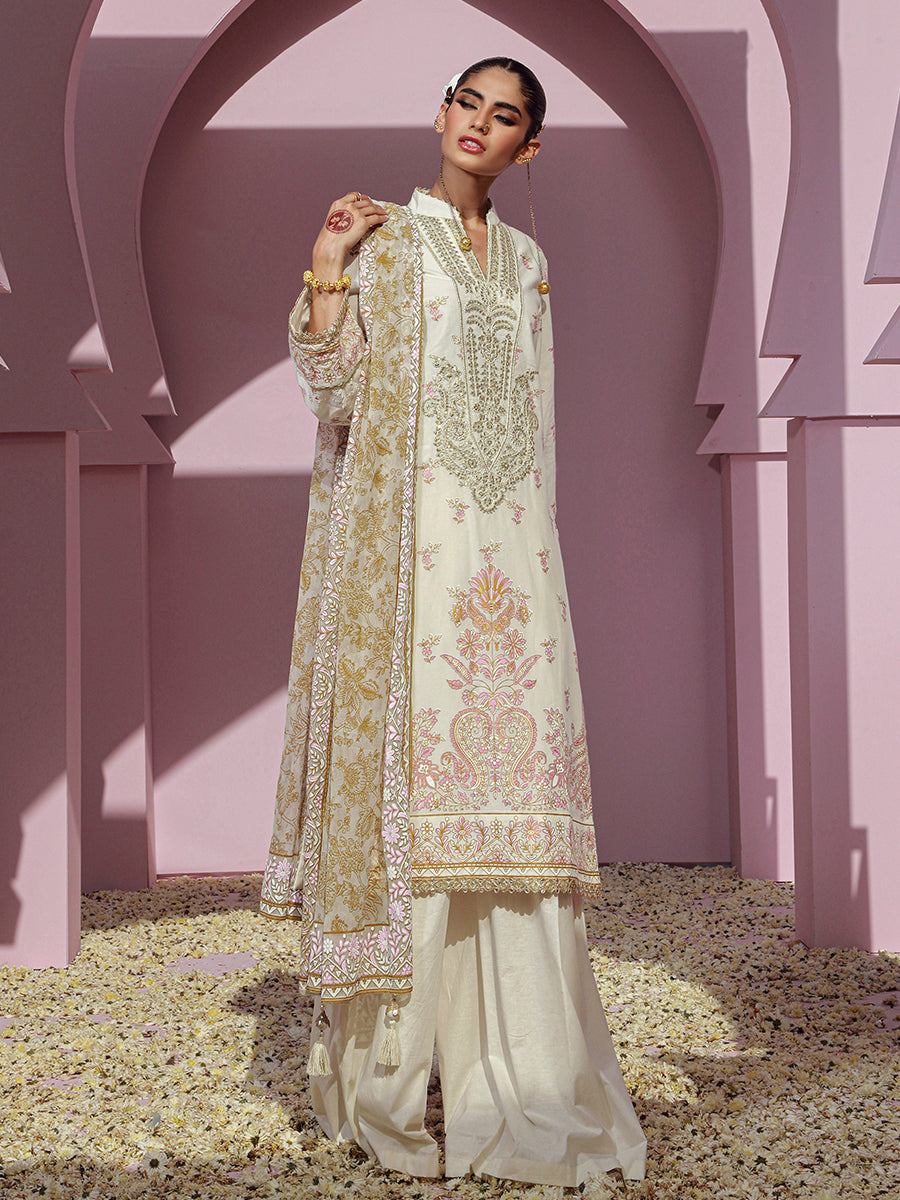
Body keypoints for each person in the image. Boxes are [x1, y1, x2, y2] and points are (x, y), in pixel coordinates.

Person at [260, 57, 647, 1186]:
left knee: (509, 814)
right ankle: (384, 1093)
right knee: (414, 812)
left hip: (511, 571)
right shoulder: (385, 245)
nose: (478, 124)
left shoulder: (527, 264)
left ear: (530, 147)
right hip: (408, 573)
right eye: (466, 103)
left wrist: (543, 569)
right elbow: (333, 394)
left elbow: (538, 425)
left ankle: (520, 1079)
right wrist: (327, 267)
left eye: (505, 115)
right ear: (440, 115)